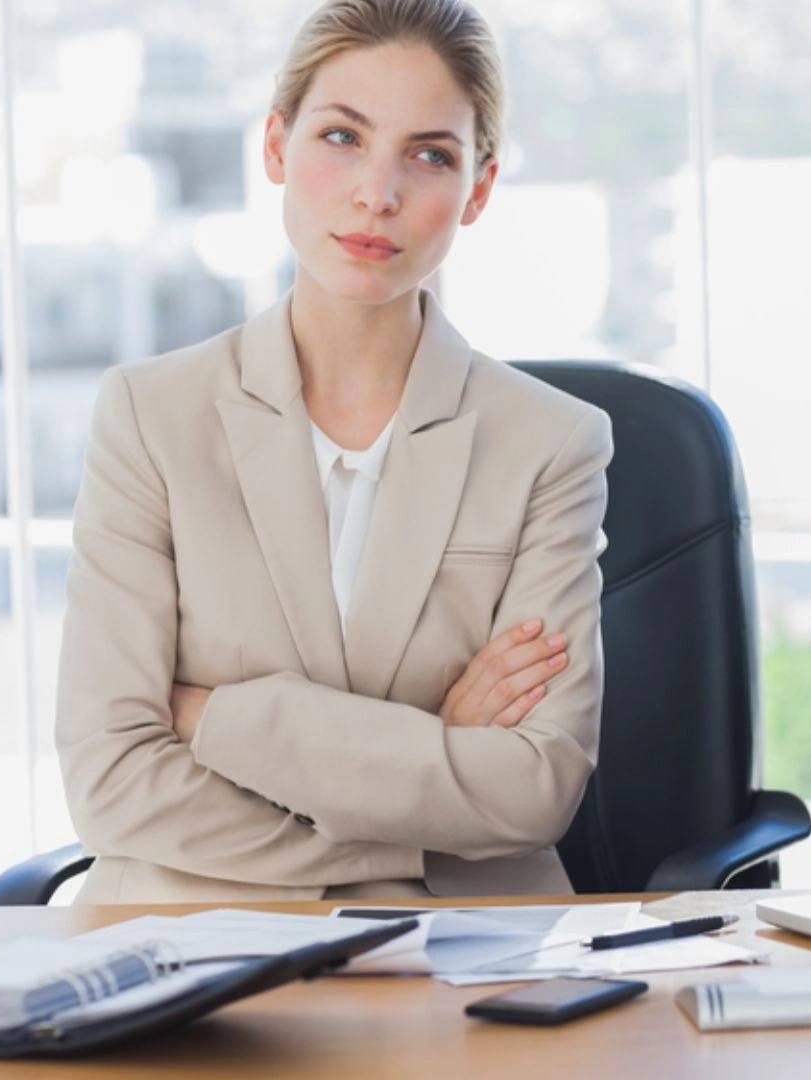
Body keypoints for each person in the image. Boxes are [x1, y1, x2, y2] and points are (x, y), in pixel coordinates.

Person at [55, 0, 612, 903]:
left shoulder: (552, 443)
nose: (377, 194)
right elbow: (112, 780)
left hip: (462, 959)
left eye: (430, 155)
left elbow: (532, 791)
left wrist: (221, 718)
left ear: (477, 189)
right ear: (276, 146)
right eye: (342, 137)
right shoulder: (150, 417)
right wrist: (420, 788)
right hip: (189, 945)